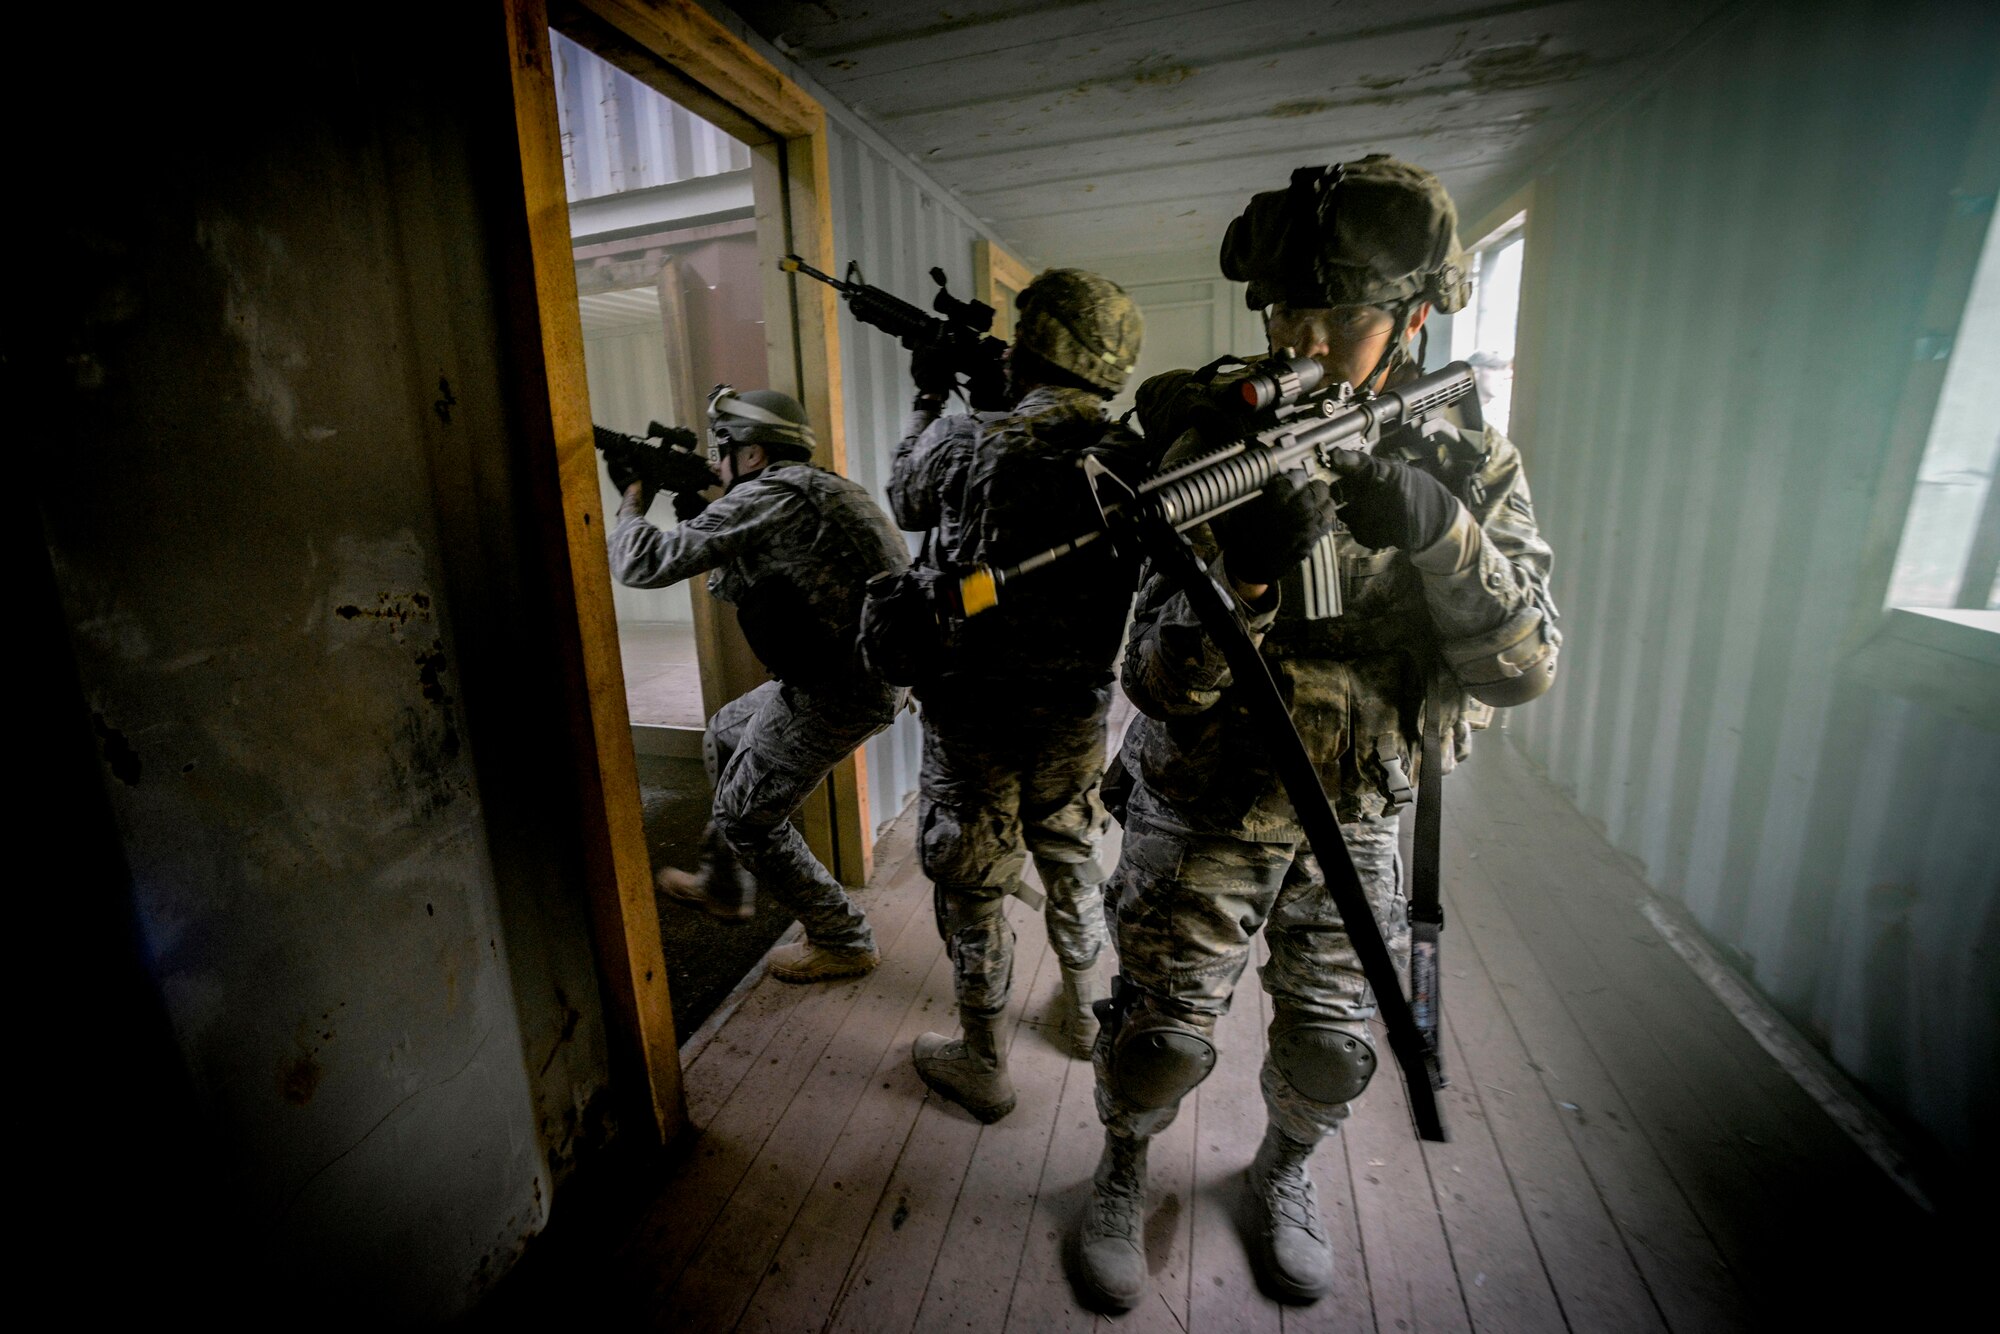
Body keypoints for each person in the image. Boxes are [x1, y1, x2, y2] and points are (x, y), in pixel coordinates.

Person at [1072, 156, 1561, 1309]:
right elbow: (1154, 680)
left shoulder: (1465, 459)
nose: (1300, 335)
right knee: (1156, 1036)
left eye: (1337, 312)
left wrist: (1442, 533)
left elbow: (1525, 665)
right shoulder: (1216, 449)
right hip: (1201, 809)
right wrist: (1237, 577)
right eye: (1284, 307)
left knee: (1332, 1046)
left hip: (1361, 812)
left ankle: (1282, 1173)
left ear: (1414, 316)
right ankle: (1122, 1166)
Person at [887, 268, 1148, 1122]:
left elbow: (904, 499)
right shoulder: (1128, 452)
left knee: (972, 876)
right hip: (1077, 706)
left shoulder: (968, 437)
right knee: (1072, 854)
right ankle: (1082, 1014)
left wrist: (930, 397)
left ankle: (984, 1057)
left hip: (974, 711)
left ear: (1032, 347)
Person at [607, 386, 911, 983]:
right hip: (852, 672)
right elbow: (743, 582)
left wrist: (632, 498)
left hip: (839, 687)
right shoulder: (819, 488)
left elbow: (641, 564)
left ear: (752, 456)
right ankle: (724, 883)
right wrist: (699, 511)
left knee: (747, 816)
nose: (719, 464)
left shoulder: (771, 494)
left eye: (726, 451)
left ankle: (842, 937)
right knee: (724, 732)